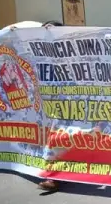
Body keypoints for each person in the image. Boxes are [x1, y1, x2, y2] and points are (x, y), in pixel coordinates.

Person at [38, 20, 64, 191]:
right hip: (43, 106)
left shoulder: (73, 51)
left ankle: (52, 177)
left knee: (57, 140)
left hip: (68, 106)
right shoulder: (37, 52)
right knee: (47, 140)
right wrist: (12, 34)